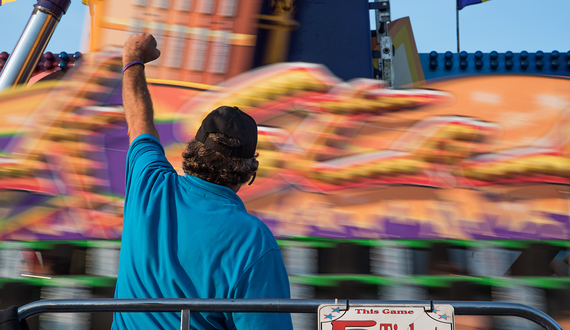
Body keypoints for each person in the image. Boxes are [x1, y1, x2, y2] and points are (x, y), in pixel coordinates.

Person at [112, 33, 293, 330]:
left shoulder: (150, 186)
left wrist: (133, 60)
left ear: (192, 151)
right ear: (248, 172)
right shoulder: (253, 241)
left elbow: (139, 123)